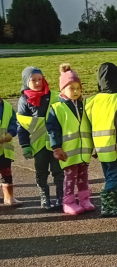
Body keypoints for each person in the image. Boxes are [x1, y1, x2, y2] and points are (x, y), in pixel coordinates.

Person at [84, 62, 117, 217]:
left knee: (109, 174)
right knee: (115, 174)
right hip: (114, 145)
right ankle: (108, 205)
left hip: (99, 147)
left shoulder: (91, 100)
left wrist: (91, 146)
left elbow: (87, 125)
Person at [46, 64, 95, 215]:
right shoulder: (57, 108)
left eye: (78, 88)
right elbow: (53, 129)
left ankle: (84, 199)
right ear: (62, 90)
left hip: (83, 150)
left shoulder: (84, 105)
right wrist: (57, 147)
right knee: (70, 177)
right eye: (71, 88)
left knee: (83, 175)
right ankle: (68, 202)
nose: (75, 91)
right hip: (68, 151)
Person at [16, 67, 64, 210]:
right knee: (41, 171)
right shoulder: (24, 100)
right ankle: (45, 198)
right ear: (26, 81)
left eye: (40, 79)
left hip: (56, 142)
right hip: (38, 143)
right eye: (33, 80)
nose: (37, 82)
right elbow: (22, 124)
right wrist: (25, 145)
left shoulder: (55, 96)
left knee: (58, 171)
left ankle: (61, 197)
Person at [0, 95, 21, 206]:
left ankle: (9, 197)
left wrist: (11, 133)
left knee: (6, 172)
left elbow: (13, 121)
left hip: (5, 149)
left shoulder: (6, 106)